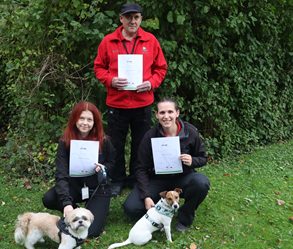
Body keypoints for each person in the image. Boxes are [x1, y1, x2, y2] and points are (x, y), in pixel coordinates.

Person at [94, 2, 167, 197]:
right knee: (115, 144)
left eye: (136, 17)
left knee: (141, 144)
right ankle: (117, 180)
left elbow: (161, 68)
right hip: (116, 104)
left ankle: (136, 179)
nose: (132, 21)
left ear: (141, 19)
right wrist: (111, 80)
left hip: (143, 103)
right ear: (121, 19)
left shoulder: (151, 41)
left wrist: (151, 83)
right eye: (128, 17)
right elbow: (98, 67)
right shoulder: (108, 41)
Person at [122, 97, 210, 232]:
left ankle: (184, 219)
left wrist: (193, 160)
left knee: (201, 183)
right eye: (162, 113)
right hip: (158, 180)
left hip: (183, 178)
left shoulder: (190, 133)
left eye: (170, 112)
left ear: (177, 113)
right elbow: (141, 168)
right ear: (156, 115)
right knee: (131, 208)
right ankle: (160, 207)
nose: (166, 116)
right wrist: (146, 196)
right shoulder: (150, 136)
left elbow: (203, 158)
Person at [42, 102, 116, 238]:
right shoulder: (65, 142)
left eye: (89, 119)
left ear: (95, 122)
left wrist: (104, 168)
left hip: (98, 188)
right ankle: (77, 211)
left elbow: (112, 162)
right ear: (74, 119)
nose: (85, 123)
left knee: (92, 232)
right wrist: (67, 203)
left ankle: (96, 209)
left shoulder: (104, 141)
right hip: (75, 186)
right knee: (49, 198)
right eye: (81, 118)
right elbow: (61, 174)